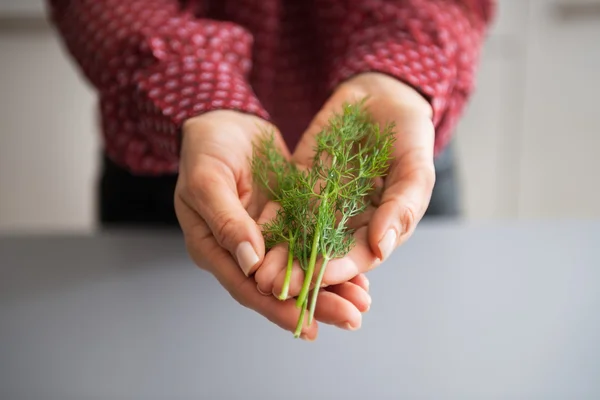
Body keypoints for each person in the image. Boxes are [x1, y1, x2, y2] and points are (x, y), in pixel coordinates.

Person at [47, 0, 495, 340]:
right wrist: (196, 92)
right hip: (182, 153)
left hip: (390, 148)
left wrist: (400, 72)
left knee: (418, 342)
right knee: (156, 344)